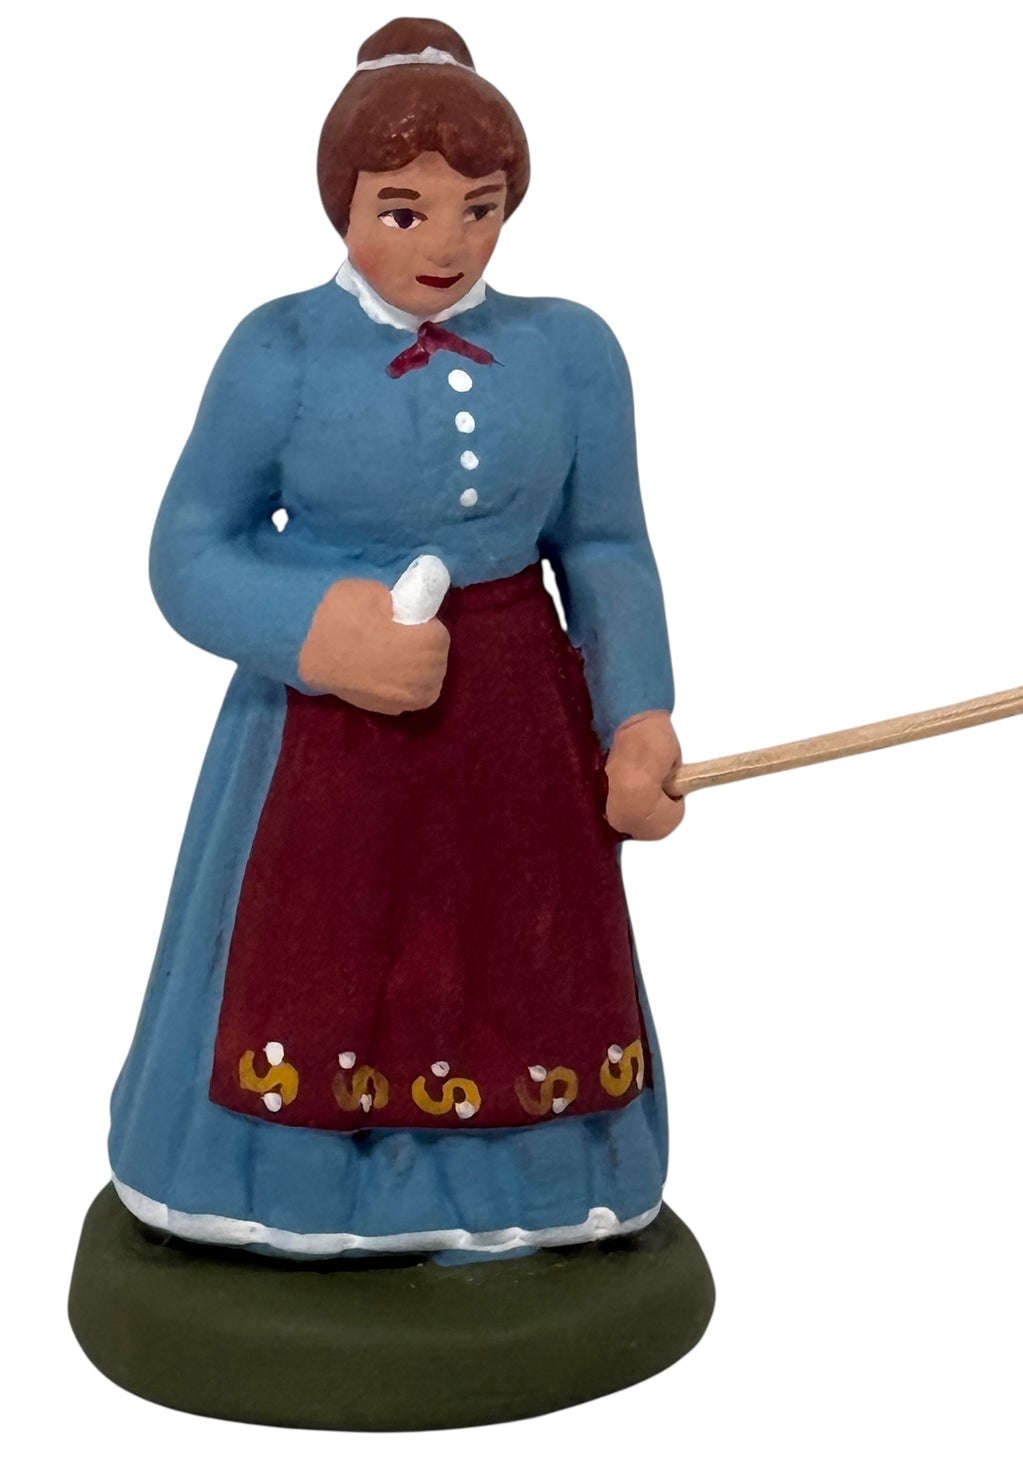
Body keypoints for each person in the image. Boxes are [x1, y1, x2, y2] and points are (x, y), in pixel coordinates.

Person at [108, 16, 683, 1263]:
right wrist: (319, 631)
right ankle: (295, 1193)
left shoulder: (572, 352)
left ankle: (533, 1187)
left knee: (522, 955)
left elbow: (605, 546)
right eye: (404, 210)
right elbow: (188, 548)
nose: (447, 245)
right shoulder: (277, 351)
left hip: (518, 736)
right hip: (324, 739)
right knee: (318, 953)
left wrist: (638, 718)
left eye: (480, 209)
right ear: (343, 203)